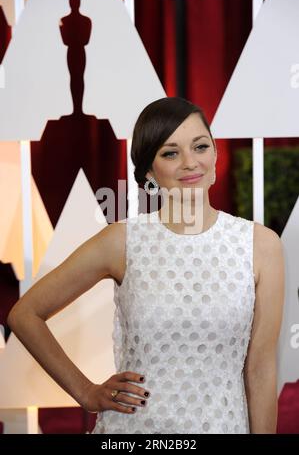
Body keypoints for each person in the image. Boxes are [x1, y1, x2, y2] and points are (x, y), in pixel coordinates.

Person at [7, 97, 285, 434]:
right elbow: (25, 314)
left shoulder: (261, 245)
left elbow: (260, 369)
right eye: (170, 153)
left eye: (200, 146)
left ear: (215, 155)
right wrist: (85, 391)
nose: (190, 163)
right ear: (150, 171)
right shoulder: (123, 241)